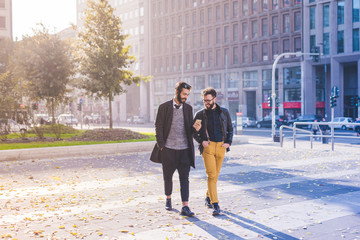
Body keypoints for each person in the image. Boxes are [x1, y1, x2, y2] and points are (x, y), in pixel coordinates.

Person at [150, 81, 201, 217]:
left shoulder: (188, 109)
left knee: (185, 178)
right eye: (184, 94)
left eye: (187, 95)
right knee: (168, 177)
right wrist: (161, 146)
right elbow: (158, 127)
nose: (186, 97)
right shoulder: (164, 107)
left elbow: (189, 131)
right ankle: (168, 199)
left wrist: (195, 129)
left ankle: (185, 206)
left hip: (184, 150)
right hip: (168, 149)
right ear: (177, 92)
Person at [193, 87, 233, 216]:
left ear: (214, 99)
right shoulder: (200, 114)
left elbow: (230, 129)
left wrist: (228, 142)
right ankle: (215, 204)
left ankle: (208, 197)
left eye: (209, 100)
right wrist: (201, 141)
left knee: (215, 176)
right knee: (211, 175)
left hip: (221, 147)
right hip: (208, 148)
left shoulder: (224, 112)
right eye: (204, 101)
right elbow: (193, 131)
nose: (206, 103)